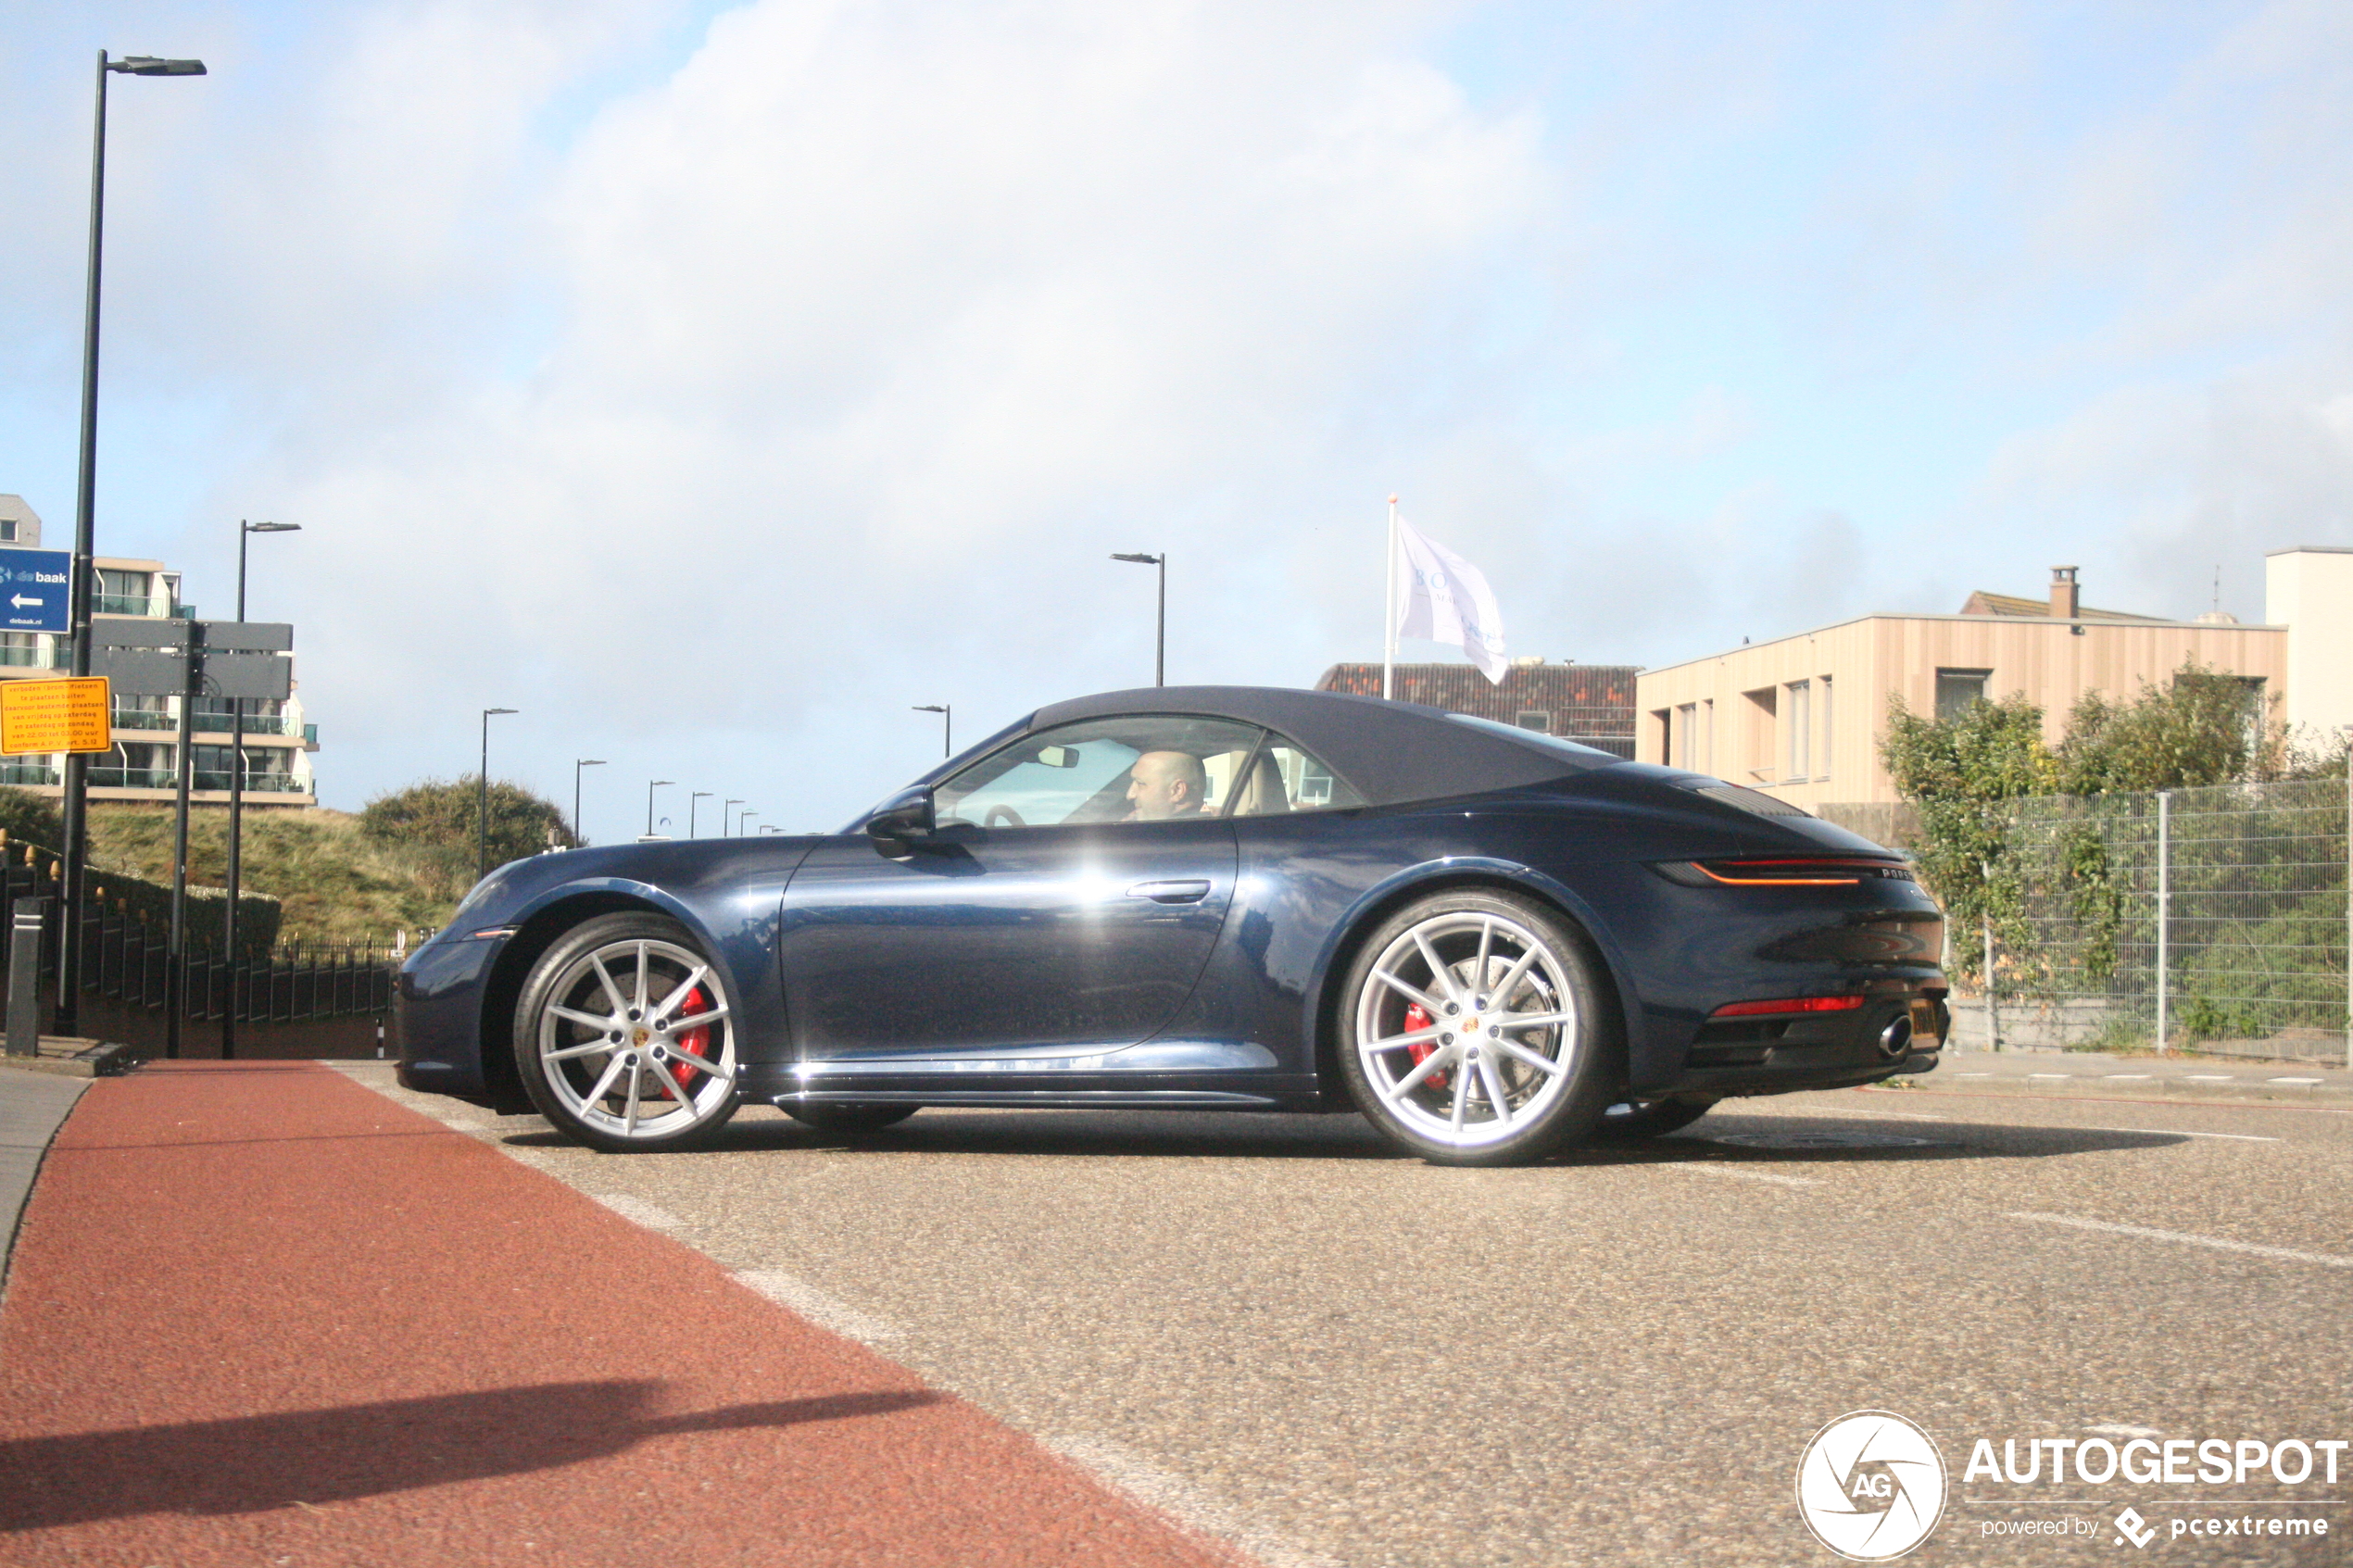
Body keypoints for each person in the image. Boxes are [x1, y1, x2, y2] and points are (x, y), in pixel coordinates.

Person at [1125, 749, 1209, 820]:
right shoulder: (1206, 831)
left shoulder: (1170, 836)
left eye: (1140, 784)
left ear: (1177, 791)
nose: (1130, 795)